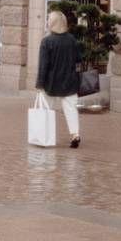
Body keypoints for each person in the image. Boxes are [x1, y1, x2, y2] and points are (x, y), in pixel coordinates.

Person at [36, 8, 83, 149]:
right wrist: (77, 78)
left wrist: (39, 83)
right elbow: (78, 61)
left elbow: (43, 65)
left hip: (51, 82)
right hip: (69, 81)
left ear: (52, 23)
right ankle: (75, 134)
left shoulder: (46, 41)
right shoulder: (72, 40)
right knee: (71, 109)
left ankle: (45, 136)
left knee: (47, 110)